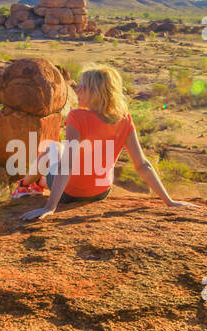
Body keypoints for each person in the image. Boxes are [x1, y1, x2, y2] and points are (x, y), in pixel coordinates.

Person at [20, 65, 197, 221]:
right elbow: (142, 164)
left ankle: (25, 185)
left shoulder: (77, 117)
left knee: (52, 147)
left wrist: (50, 207)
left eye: (83, 87)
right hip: (100, 193)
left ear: (96, 93)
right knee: (62, 150)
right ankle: (38, 183)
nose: (78, 89)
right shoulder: (124, 119)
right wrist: (169, 201)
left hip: (69, 193)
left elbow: (67, 165)